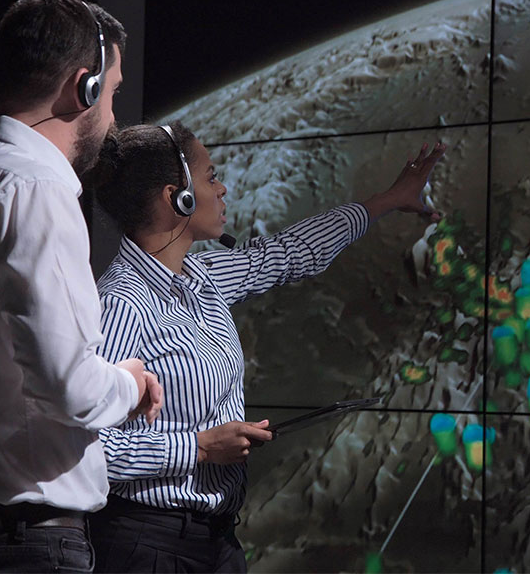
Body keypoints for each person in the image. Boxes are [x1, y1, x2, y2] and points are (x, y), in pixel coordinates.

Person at [84, 121, 445, 573]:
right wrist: (197, 448)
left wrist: (388, 201)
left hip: (214, 541)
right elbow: (91, 447)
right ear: (176, 197)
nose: (223, 188)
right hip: (149, 545)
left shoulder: (203, 278)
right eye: (211, 177)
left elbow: (290, 253)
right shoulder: (120, 302)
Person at [0, 0, 163, 573]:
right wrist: (132, 385)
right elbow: (70, 388)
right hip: (26, 546)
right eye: (110, 95)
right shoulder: (37, 189)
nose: (112, 116)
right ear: (83, 86)